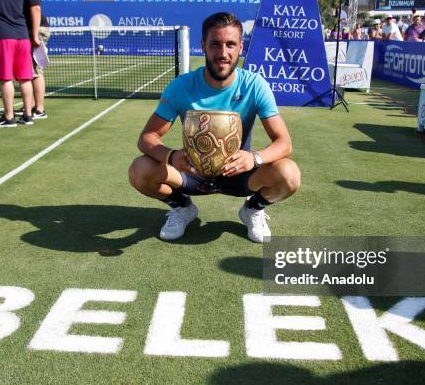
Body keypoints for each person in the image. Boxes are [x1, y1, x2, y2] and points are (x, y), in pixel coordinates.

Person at [128, 12, 301, 243]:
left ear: (240, 47)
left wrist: (254, 159)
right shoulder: (182, 86)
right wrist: (171, 156)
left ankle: (253, 209)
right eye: (215, 44)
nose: (223, 53)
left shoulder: (254, 85)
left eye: (230, 44)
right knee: (139, 170)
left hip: (238, 174)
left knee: (289, 175)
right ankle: (182, 207)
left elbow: (284, 142)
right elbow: (147, 137)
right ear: (203, 46)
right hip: (191, 174)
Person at [15, 0, 49, 119]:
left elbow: (36, 8)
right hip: (27, 29)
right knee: (28, 69)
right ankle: (30, 106)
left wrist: (35, 35)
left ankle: (39, 109)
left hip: (36, 29)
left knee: (35, 70)